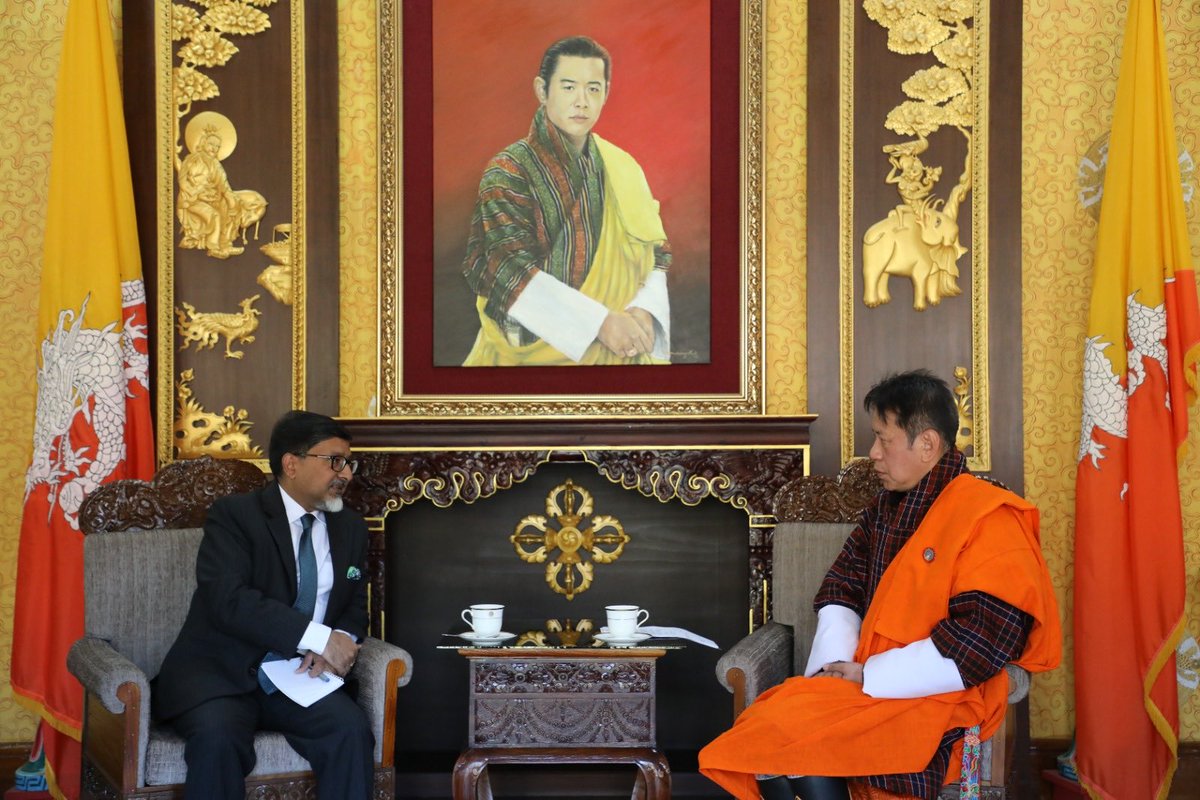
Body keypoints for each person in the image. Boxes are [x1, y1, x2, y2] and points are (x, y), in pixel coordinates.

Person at [699, 370, 1062, 800]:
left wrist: (871, 674)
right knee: (767, 729)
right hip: (865, 680)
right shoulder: (886, 509)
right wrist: (839, 666)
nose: (871, 454)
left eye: (883, 440)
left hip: (942, 690)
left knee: (795, 748)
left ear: (926, 444)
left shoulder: (990, 517)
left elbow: (979, 644)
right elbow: (840, 586)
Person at [152, 411, 373, 799]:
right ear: (291, 463)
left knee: (349, 729)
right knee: (218, 740)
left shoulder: (350, 527)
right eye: (334, 461)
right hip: (222, 674)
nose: (347, 474)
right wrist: (318, 637)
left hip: (298, 676)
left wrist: (338, 639)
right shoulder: (235, 516)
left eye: (349, 463)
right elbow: (229, 600)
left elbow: (355, 604)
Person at [460, 35, 672, 366]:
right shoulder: (508, 170)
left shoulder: (623, 167)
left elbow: (656, 254)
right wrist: (599, 323)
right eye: (569, 87)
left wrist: (644, 312)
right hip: (530, 358)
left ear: (606, 94)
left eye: (593, 89)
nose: (582, 102)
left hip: (622, 347)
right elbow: (508, 269)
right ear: (542, 91)